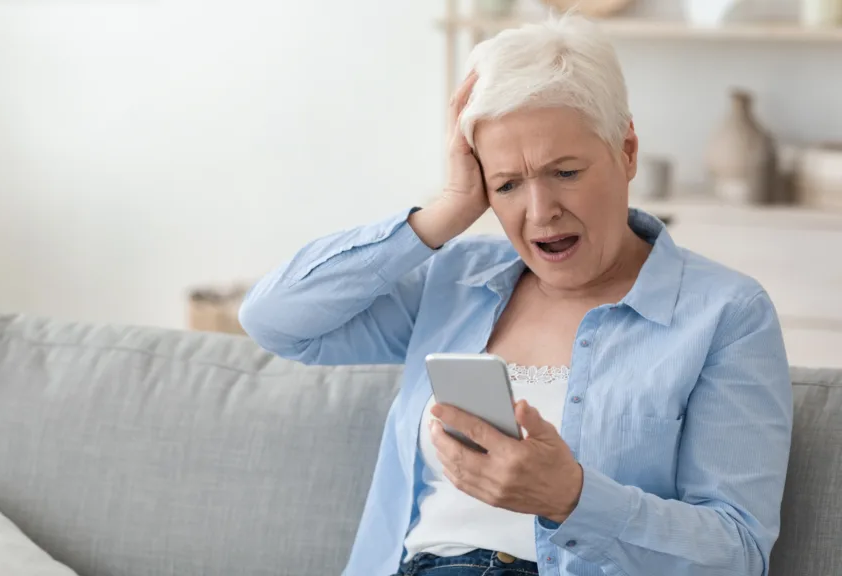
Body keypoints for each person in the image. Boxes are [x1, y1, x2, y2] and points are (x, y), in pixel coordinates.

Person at [237, 14, 792, 576]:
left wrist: (571, 498)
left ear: (626, 151)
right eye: (506, 184)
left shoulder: (725, 313)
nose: (539, 211)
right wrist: (446, 211)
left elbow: (737, 553)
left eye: (566, 171)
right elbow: (275, 320)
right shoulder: (454, 282)